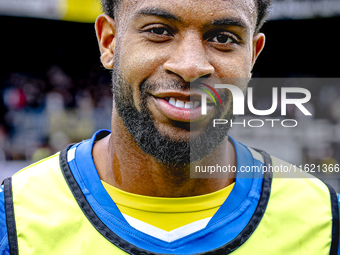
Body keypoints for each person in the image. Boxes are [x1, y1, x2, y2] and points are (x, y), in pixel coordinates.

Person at [0, 0, 339, 254]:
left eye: (223, 37)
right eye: (159, 31)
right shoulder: (12, 217)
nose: (190, 66)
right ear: (109, 42)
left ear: (252, 55)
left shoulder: (325, 219)